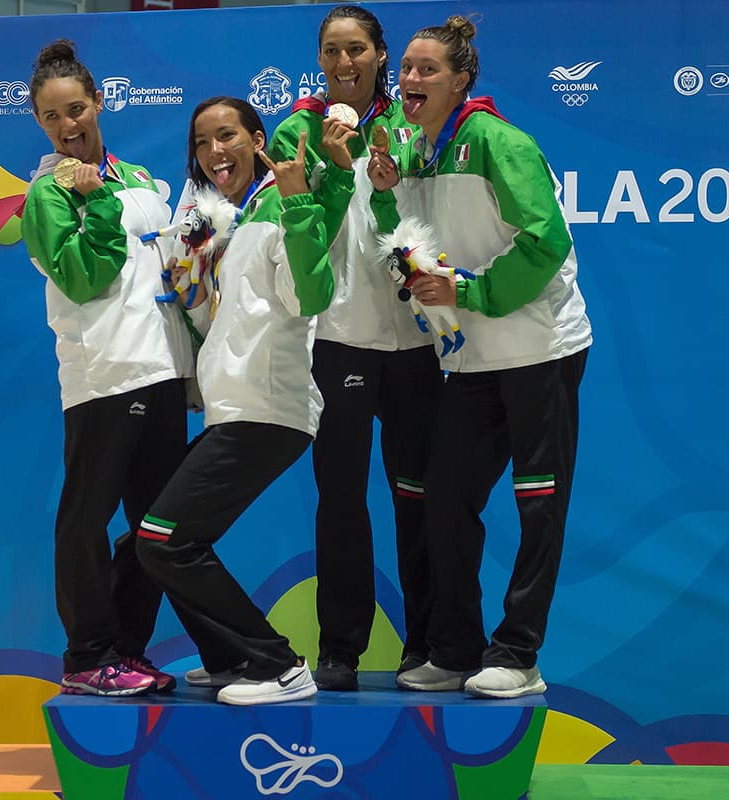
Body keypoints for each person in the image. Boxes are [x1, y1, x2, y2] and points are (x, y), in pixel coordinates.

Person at [367, 16, 592, 698]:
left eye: (426, 69)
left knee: (537, 505)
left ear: (461, 80)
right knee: (444, 501)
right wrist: (381, 193)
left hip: (537, 350)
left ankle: (518, 655)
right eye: (405, 67)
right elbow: (406, 243)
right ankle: (457, 650)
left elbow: (545, 240)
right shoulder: (417, 151)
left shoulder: (498, 141)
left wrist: (469, 289)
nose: (410, 79)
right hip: (469, 358)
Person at [134, 97, 355, 706]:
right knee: (151, 541)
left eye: (226, 136)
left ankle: (279, 666)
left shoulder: (286, 204)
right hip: (234, 405)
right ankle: (230, 656)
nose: (214, 153)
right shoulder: (238, 218)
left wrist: (299, 200)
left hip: (269, 407)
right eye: (202, 144)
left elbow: (311, 296)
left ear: (258, 140)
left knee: (164, 540)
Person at [268, 3, 442, 692]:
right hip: (337, 339)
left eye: (358, 51)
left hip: (416, 343)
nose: (345, 64)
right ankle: (340, 647)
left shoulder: (414, 123)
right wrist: (332, 166)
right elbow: (296, 228)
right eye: (333, 51)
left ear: (379, 56)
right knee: (339, 499)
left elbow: (429, 216)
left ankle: (427, 644)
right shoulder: (296, 130)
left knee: (419, 497)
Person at [21, 39, 193, 697]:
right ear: (41, 123)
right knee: (86, 518)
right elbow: (84, 278)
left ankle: (125, 647)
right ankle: (88, 655)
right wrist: (90, 204)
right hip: (103, 378)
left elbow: (178, 275)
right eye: (52, 117)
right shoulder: (47, 193)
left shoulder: (145, 182)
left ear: (99, 102)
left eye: (76, 109)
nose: (68, 126)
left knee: (158, 528)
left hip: (162, 371)